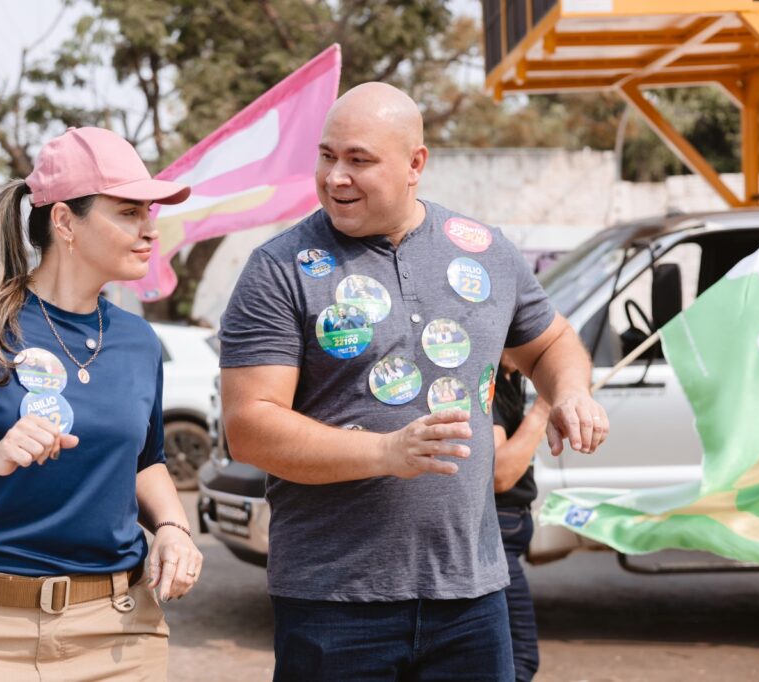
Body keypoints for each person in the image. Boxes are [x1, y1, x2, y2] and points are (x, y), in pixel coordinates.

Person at [219, 82, 608, 681]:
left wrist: (572, 390)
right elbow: (249, 426)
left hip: (472, 595)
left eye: (359, 160)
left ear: (415, 165)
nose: (335, 177)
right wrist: (385, 451)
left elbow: (552, 341)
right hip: (333, 602)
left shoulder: (483, 251)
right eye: (327, 156)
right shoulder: (279, 268)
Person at [0, 126, 204, 680]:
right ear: (65, 221)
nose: (150, 230)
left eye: (149, 213)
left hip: (116, 631)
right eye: (128, 212)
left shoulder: (138, 341)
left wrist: (173, 527)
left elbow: (145, 462)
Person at [493, 352, 551, 682]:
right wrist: (545, 407)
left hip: (506, 531)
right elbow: (500, 473)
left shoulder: (510, 377)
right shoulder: (488, 384)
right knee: (519, 658)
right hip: (497, 534)